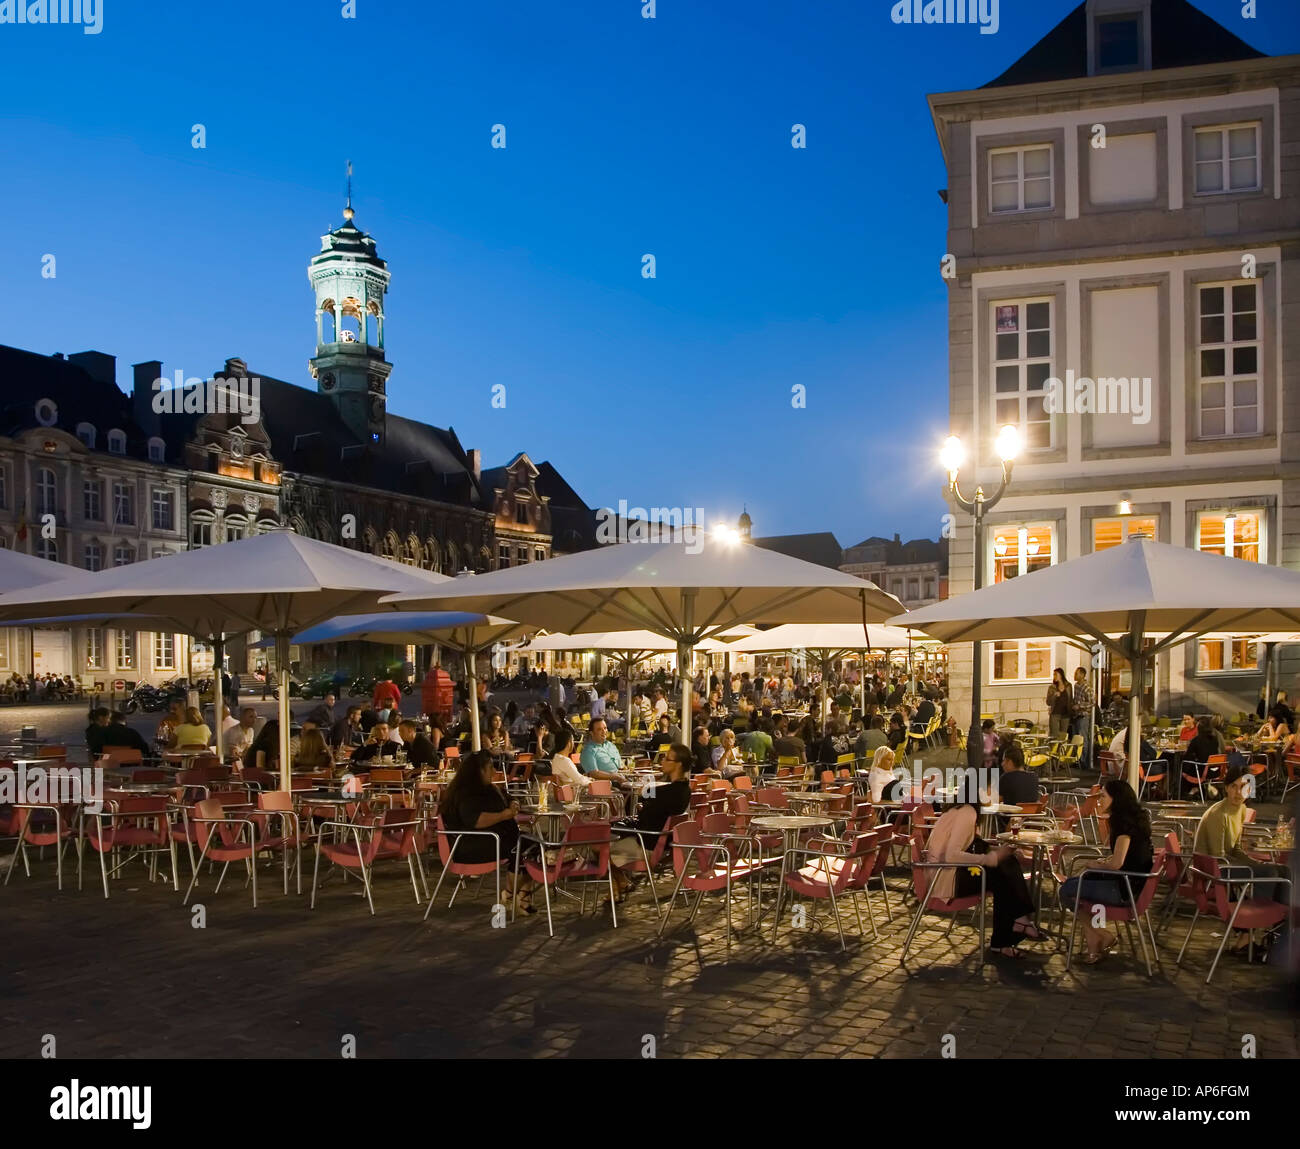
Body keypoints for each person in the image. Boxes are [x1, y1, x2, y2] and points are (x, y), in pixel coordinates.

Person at [923, 799, 1042, 957]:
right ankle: (1014, 929)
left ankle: (1016, 926)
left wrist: (998, 852)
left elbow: (973, 845)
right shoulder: (967, 812)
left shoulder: (961, 809)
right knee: (1001, 873)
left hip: (947, 872)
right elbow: (952, 855)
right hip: (945, 878)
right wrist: (989, 859)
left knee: (1004, 868)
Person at [1059, 780, 1154, 963]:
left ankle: (1102, 934)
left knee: (1067, 890)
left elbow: (1117, 864)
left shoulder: (1123, 824)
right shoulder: (1132, 821)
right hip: (1131, 884)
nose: (1099, 800)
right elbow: (1128, 857)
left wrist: (1095, 864)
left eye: (1103, 796)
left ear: (1116, 799)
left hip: (1124, 889)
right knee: (1081, 887)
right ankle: (1094, 941)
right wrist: (1105, 862)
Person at [439, 750, 534, 912]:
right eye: (490, 767)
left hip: (492, 839)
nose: (494, 771)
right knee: (522, 847)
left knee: (531, 844)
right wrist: (503, 815)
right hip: (471, 846)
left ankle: (516, 894)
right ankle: (514, 895)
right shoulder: (466, 794)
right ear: (479, 771)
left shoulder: (488, 788)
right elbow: (475, 821)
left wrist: (513, 803)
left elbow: (507, 797)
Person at [1194, 765, 1291, 914]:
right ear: (1226, 788)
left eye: (1244, 786)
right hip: (1213, 868)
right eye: (1234, 786)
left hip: (1226, 862)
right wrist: (1256, 868)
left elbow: (1236, 849)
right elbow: (1217, 857)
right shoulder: (1219, 814)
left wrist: (1255, 864)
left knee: (1284, 871)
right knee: (1269, 872)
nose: (1238, 792)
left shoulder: (1241, 809)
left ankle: (1280, 922)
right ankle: (1255, 920)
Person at [607, 742, 692, 899]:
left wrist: (644, 807)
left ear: (678, 765)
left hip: (646, 844)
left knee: (600, 848)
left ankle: (619, 883)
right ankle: (619, 885)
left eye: (667, 758)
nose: (663, 761)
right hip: (663, 844)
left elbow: (645, 808)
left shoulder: (660, 791)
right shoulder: (685, 790)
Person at [578, 717, 624, 782]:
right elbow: (594, 774)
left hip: (621, 778)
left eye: (605, 728)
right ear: (592, 733)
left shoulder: (611, 745)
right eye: (599, 729)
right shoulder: (588, 751)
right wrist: (615, 777)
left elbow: (620, 766)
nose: (604, 731)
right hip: (605, 785)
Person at [1071, 666, 1094, 767]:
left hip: (1084, 716)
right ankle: (1077, 759)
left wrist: (1080, 706)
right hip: (1076, 715)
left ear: (1082, 675)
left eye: (1077, 673)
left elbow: (1092, 702)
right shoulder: (1076, 685)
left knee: (1083, 738)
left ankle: (1084, 760)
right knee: (1076, 738)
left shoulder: (1087, 688)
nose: (1075, 675)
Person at [1046, 668, 1072, 741]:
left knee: (1063, 736)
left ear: (1061, 675)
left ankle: (1061, 751)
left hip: (1065, 714)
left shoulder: (1068, 686)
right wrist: (1054, 695)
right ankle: (1053, 750)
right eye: (1053, 675)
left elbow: (1070, 699)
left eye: (1055, 674)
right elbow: (1048, 702)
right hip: (1055, 713)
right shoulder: (1052, 687)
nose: (1054, 676)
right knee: (1054, 735)